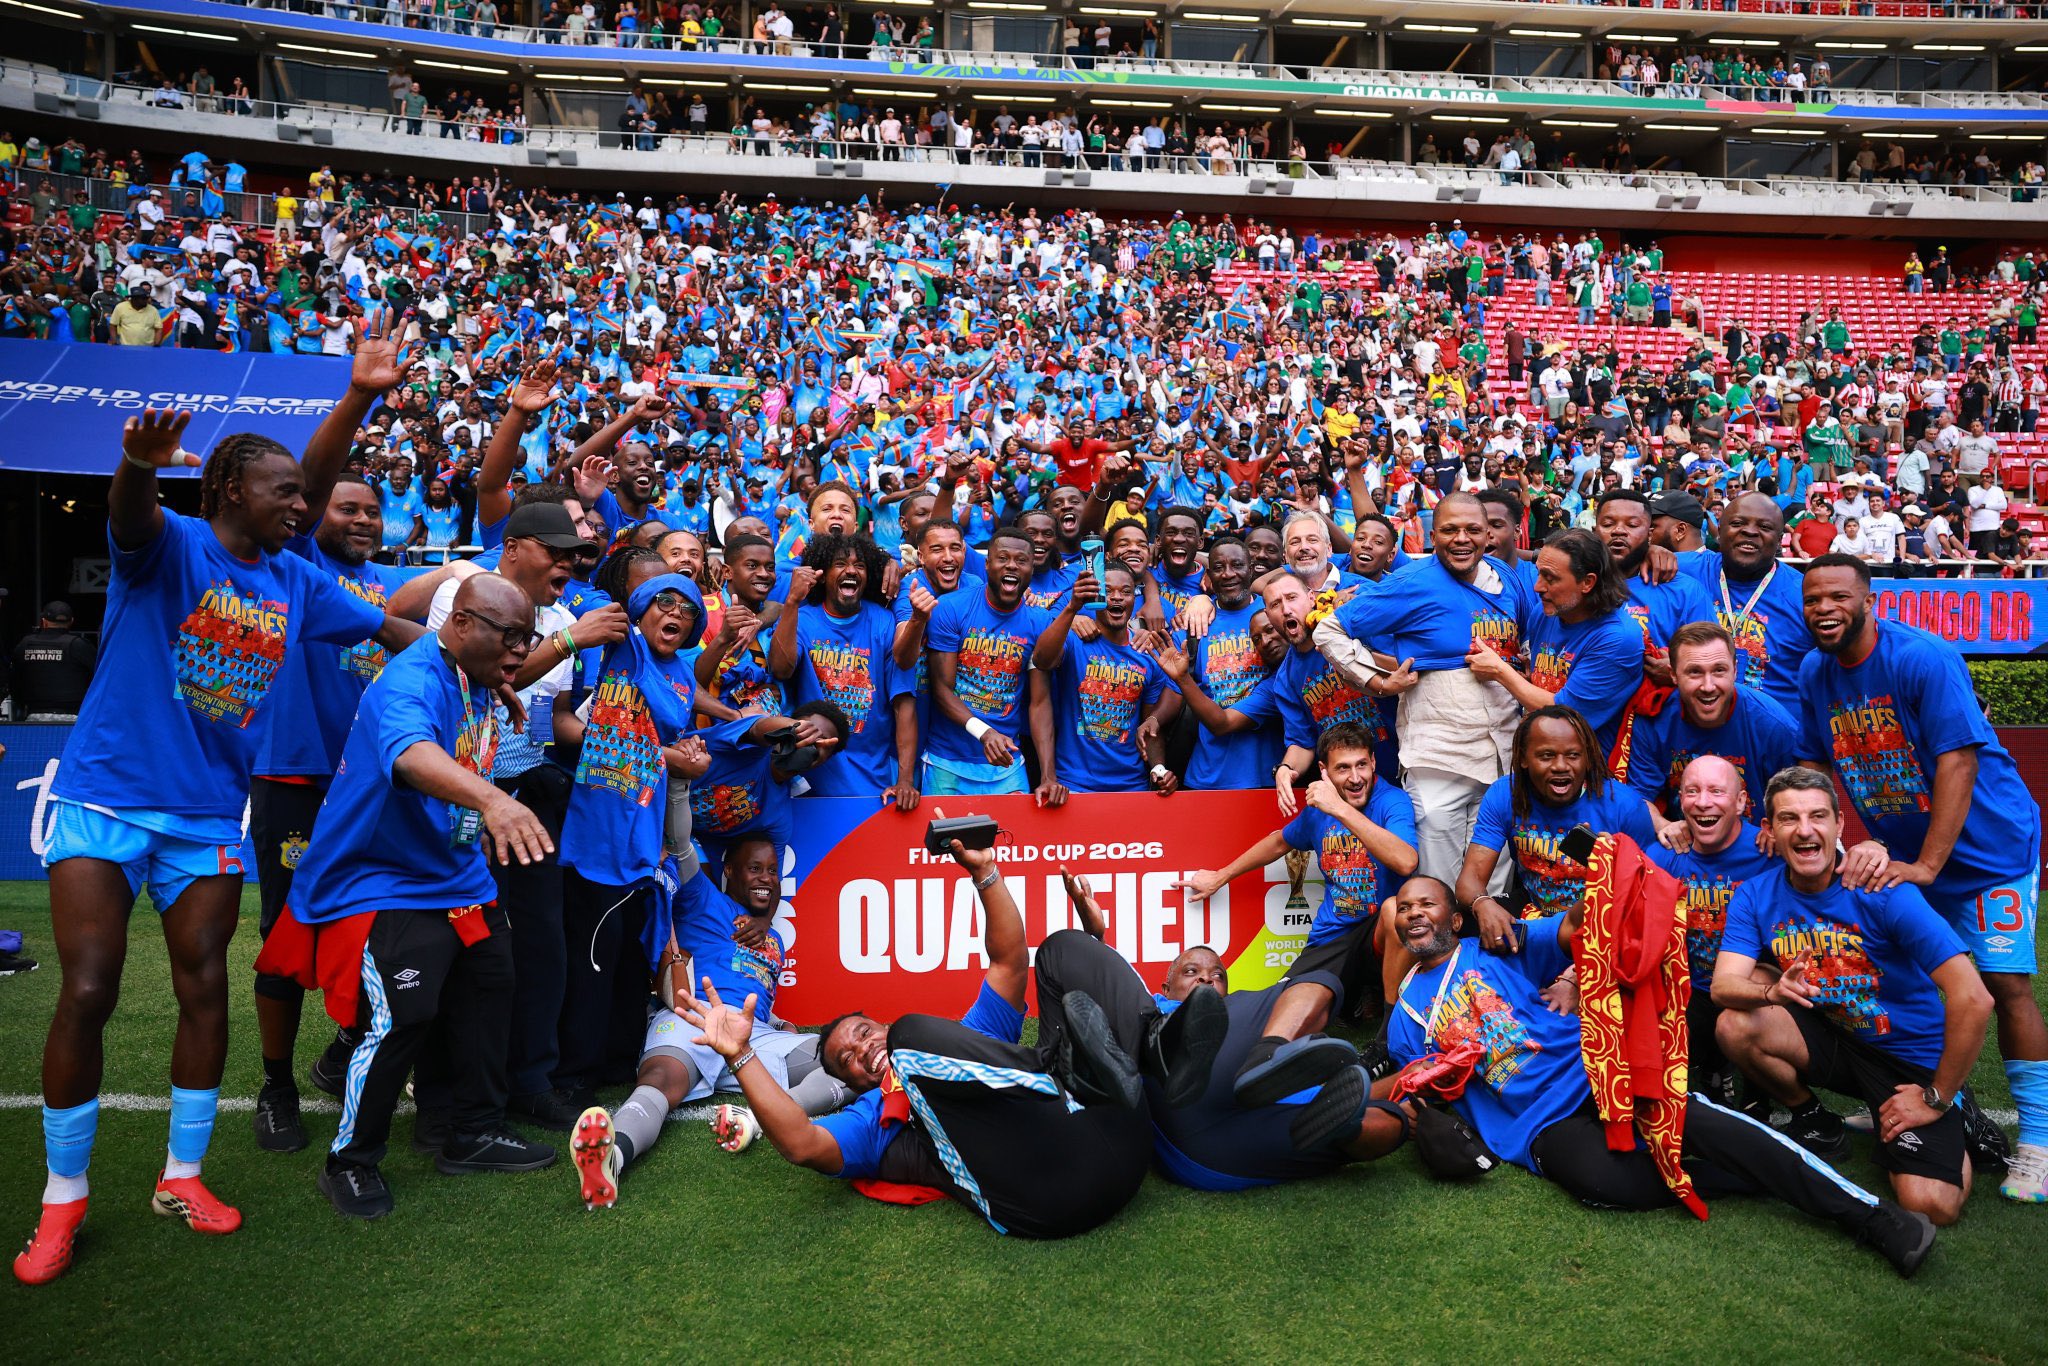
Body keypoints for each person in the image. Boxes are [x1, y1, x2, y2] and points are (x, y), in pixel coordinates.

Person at [18, 411, 420, 1285]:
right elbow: (126, 516)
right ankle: (62, 1199)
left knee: (205, 990)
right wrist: (134, 461)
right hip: (106, 799)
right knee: (89, 988)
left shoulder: (297, 582)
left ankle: (182, 1179)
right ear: (233, 490)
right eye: (286, 492)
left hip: (205, 819)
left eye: (304, 496)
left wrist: (491, 654)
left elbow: (394, 634)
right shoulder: (173, 546)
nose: (300, 507)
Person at [669, 808, 1226, 1238]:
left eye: (863, 1033)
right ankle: (1067, 1070)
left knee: (1062, 948)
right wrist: (740, 1055)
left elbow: (1010, 962)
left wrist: (986, 874)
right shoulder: (873, 1122)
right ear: (854, 1085)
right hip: (1054, 1196)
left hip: (1119, 1140)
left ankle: (1156, 1045)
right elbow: (804, 1143)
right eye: (849, 1061)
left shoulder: (963, 1038)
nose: (862, 1052)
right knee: (915, 1038)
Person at [1387, 872, 1940, 1277]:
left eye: (1427, 903)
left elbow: (1583, 923)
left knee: (1706, 1127)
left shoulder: (1496, 945)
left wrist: (1594, 873)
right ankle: (1753, 1174)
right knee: (1606, 1185)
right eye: (1405, 907)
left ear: (1453, 918)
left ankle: (1876, 1220)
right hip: (1536, 1126)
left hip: (1595, 1070)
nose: (1414, 913)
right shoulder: (1406, 1014)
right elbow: (1417, 1086)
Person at [275, 575, 561, 1220]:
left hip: (454, 871)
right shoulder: (413, 683)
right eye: (511, 636)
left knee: (494, 984)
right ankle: (349, 1162)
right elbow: (410, 754)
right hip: (384, 875)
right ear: (462, 626)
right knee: (404, 1015)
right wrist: (494, 799)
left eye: (529, 636)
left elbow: (428, 643)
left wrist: (498, 681)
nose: (521, 651)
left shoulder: (472, 670)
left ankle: (472, 1133)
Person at [1796, 553, 2047, 1203]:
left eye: (1837, 597)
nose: (1824, 609)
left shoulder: (1922, 658)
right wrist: (1838, 841)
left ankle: (2039, 1143)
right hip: (1907, 852)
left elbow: (1957, 763)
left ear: (1868, 600)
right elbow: (1819, 767)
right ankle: (1919, 1092)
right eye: (1813, 599)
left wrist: (1928, 867)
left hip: (1988, 850)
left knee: (2004, 985)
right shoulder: (1814, 672)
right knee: (1896, 973)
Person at [1713, 767, 1995, 1228]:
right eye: (1788, 819)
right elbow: (1725, 985)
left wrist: (1935, 1098)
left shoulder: (1883, 893)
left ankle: (1960, 1110)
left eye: (1818, 816)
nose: (1805, 830)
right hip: (1838, 1040)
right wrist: (1772, 990)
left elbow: (1974, 998)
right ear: (1769, 831)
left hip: (1908, 1057)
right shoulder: (1755, 894)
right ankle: (1813, 1117)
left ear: (1840, 826)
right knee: (1735, 1022)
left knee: (1931, 1205)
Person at [571, 836, 855, 1209]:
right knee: (660, 1081)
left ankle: (756, 1119)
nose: (766, 878)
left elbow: (753, 992)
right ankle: (613, 1158)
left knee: (847, 1064)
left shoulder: (774, 941)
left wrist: (779, 1021)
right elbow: (682, 846)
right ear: (729, 872)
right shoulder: (702, 898)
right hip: (696, 1016)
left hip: (753, 1036)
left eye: (772, 871)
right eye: (755, 869)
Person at [549, 569, 709, 1102]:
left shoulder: (683, 676)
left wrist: (688, 758)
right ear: (639, 610)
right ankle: (572, 1075)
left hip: (647, 834)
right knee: (592, 958)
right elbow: (575, 724)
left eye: (687, 611)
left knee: (629, 962)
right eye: (663, 603)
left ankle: (618, 1062)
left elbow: (671, 735)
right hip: (599, 834)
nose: (676, 615)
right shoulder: (620, 649)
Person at [1318, 492, 1522, 887]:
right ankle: (1443, 952)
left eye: (1473, 530)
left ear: (1487, 536)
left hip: (1502, 756)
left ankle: (1482, 950)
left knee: (1492, 883)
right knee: (1437, 886)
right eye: (1449, 530)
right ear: (1432, 535)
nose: (1461, 539)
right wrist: (1377, 681)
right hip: (1438, 759)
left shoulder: (1506, 578)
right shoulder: (1414, 581)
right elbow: (1329, 629)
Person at [1180, 722, 1418, 1052]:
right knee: (1289, 1007)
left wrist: (1341, 809)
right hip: (1333, 936)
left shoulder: (1392, 801)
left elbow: (1405, 861)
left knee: (1396, 910)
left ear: (1374, 763)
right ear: (1323, 771)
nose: (1355, 777)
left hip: (1378, 934)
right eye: (1343, 768)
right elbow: (1279, 842)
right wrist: (1221, 876)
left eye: (1362, 764)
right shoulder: (1317, 813)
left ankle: (1388, 1039)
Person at [1458, 706, 1656, 941]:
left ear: (1588, 758)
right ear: (1523, 758)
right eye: (1546, 756)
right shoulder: (1506, 794)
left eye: (1573, 755)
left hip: (1600, 923)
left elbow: (1648, 894)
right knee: (1462, 921)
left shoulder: (1625, 806)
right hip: (1535, 911)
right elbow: (1470, 880)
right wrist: (1483, 904)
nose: (1561, 765)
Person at [1644, 756, 1776, 1086]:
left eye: (1716, 791)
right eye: (1692, 791)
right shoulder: (1665, 853)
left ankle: (1763, 1095)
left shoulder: (1771, 850)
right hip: (1687, 992)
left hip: (1757, 989)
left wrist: (1875, 847)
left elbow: (1829, 866)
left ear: (1741, 801)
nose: (1703, 802)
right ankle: (1712, 1073)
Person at [769, 531, 918, 808]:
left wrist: (906, 780)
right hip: (810, 778)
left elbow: (903, 703)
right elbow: (780, 669)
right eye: (840, 564)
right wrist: (791, 601)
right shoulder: (801, 619)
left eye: (860, 565)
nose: (851, 570)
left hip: (873, 781)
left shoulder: (884, 623)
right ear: (823, 574)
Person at [1466, 528, 1645, 756]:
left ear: (1588, 582)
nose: (1537, 587)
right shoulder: (1544, 612)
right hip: (1540, 754)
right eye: (1539, 573)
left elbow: (1566, 714)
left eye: (1550, 578)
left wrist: (1500, 672)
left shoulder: (1617, 638)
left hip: (1591, 768)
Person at [1623, 622, 1815, 831]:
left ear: (1735, 671)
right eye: (1695, 672)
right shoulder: (1654, 719)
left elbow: (1806, 802)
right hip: (1686, 848)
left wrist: (1778, 832)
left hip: (1758, 849)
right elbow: (1638, 799)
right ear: (1673, 675)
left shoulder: (1773, 725)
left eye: (1719, 671)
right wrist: (1663, 826)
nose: (1708, 686)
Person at [924, 527, 1060, 801]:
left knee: (1014, 844)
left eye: (1021, 560)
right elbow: (941, 689)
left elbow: (1040, 703)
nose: (1012, 565)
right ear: (987, 565)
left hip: (1007, 766)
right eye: (1003, 558)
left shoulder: (1039, 622)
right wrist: (984, 733)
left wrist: (1047, 776)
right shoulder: (950, 607)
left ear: (1032, 569)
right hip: (946, 763)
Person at [1031, 562, 1173, 795]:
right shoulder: (1074, 640)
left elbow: (1149, 726)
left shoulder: (1147, 653)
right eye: (1108, 591)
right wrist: (1072, 609)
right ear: (1095, 595)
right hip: (1074, 785)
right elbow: (1042, 660)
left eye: (1126, 592)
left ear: (1134, 599)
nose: (1117, 598)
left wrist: (1159, 769)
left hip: (1130, 786)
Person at [1679, 492, 1815, 717]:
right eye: (1737, 523)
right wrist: (1652, 554)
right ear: (1719, 531)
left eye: (1764, 526)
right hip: (1694, 727)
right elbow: (1625, 562)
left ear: (1780, 538)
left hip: (1774, 735)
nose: (1750, 531)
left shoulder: (1804, 593)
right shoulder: (1686, 569)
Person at [8, 601, 95, 721]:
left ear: (43, 621)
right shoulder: (79, 645)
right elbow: (100, 678)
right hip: (74, 721)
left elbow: (13, 681)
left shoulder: (25, 644)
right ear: (71, 622)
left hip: (33, 720)